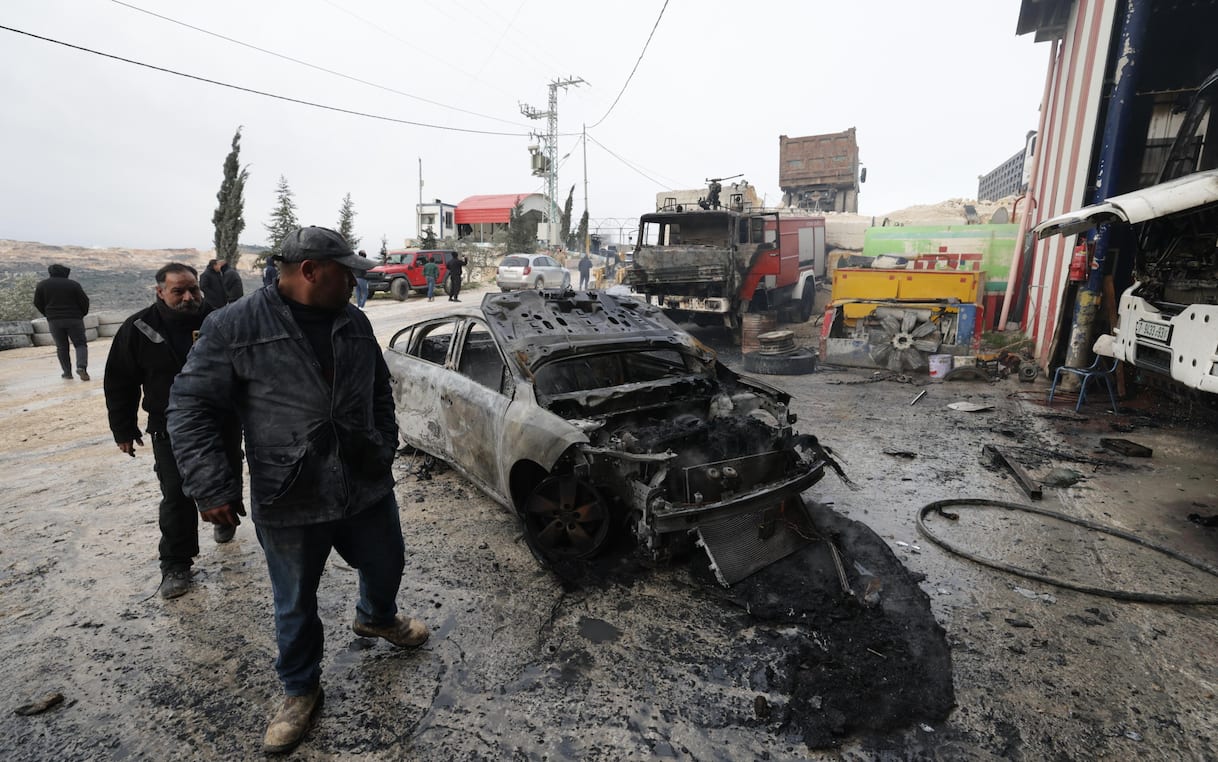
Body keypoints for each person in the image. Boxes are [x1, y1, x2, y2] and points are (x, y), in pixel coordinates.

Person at [167, 226, 428, 754]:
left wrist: (382, 442)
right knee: (294, 601)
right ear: (310, 271)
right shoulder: (233, 325)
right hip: (289, 489)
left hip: (363, 480)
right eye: (345, 272)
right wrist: (211, 485)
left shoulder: (352, 320)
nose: (355, 282)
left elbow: (379, 388)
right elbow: (190, 408)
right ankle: (299, 690)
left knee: (386, 561)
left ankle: (376, 617)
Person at [103, 263, 245, 599]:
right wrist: (123, 428)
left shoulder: (219, 321)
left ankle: (226, 516)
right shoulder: (138, 328)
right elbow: (119, 382)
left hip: (221, 419)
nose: (188, 297)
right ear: (160, 292)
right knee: (177, 493)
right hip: (168, 427)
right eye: (178, 291)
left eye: (193, 289)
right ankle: (176, 564)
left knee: (228, 472)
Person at [33, 263, 91, 380]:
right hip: (74, 319)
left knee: (62, 347)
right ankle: (81, 367)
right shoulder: (73, 285)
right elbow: (84, 301)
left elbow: (37, 302)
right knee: (80, 344)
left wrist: (48, 314)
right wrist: (81, 314)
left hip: (54, 320)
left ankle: (67, 373)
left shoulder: (42, 285)